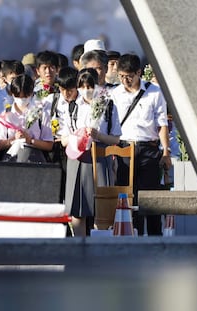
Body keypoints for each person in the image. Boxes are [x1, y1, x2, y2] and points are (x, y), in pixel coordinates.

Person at [111, 53, 171, 236]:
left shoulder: (154, 92)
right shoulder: (115, 93)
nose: (125, 80)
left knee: (150, 198)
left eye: (129, 76)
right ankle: (131, 236)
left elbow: (162, 124)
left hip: (148, 149)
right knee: (127, 197)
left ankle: (154, 239)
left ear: (138, 73)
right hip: (123, 148)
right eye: (121, 76)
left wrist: (166, 151)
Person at [60, 68, 121, 236]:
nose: (86, 89)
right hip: (78, 158)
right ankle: (79, 246)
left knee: (101, 209)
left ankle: (100, 247)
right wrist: (77, 136)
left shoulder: (108, 105)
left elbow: (116, 139)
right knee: (78, 208)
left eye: (90, 85)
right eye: (82, 85)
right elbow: (63, 139)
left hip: (101, 157)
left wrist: (98, 135)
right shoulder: (72, 107)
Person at [0, 74, 53, 163]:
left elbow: (49, 145)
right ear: (12, 94)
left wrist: (30, 140)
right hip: (11, 160)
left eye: (25, 97)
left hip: (35, 160)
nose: (21, 100)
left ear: (31, 93)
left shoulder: (41, 113)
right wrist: (13, 139)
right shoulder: (5, 114)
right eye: (18, 96)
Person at [43, 66, 78, 201]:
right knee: (55, 186)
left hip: (75, 148)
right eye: (62, 90)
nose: (66, 94)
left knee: (71, 187)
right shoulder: (51, 100)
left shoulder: (82, 102)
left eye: (70, 90)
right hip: (55, 146)